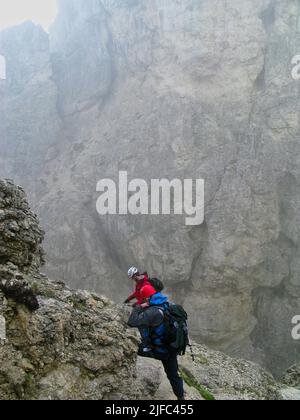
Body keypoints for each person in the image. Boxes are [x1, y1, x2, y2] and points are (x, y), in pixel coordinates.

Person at [127, 286, 185, 401]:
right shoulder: (168, 304)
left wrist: (139, 307)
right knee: (173, 375)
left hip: (158, 350)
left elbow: (132, 322)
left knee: (128, 348)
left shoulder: (153, 311)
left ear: (147, 298)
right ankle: (181, 398)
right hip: (171, 348)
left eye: (143, 299)